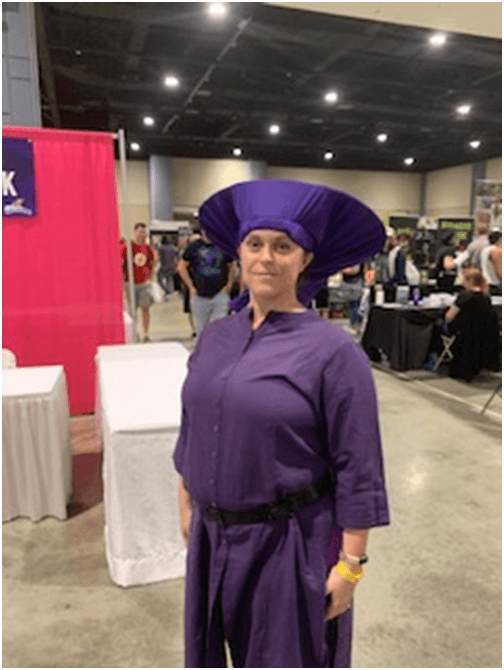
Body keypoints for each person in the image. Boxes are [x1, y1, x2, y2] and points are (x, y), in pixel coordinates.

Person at [174, 179, 389, 668]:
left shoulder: (334, 353)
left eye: (282, 246)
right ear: (238, 253)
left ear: (305, 259)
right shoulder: (216, 337)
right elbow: (193, 422)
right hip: (211, 537)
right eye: (254, 244)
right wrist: (186, 500)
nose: (266, 258)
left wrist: (350, 566)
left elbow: (358, 465)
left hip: (289, 545)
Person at [177, 228, 235, 341]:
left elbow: (231, 267)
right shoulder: (194, 246)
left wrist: (229, 285)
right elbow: (181, 266)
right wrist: (190, 287)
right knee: (201, 332)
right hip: (199, 294)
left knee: (220, 329)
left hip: (220, 294)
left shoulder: (222, 245)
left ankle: (217, 351)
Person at [443, 267, 500, 382]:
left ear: (468, 280)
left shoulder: (463, 297)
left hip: (462, 333)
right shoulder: (486, 298)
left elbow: (449, 317)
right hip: (480, 335)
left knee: (436, 326)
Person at [122, 222, 155, 342]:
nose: (142, 234)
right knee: (132, 311)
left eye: (144, 232)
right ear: (135, 232)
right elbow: (121, 264)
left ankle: (146, 333)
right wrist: (123, 282)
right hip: (130, 284)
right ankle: (134, 333)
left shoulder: (147, 248)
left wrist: (150, 278)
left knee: (145, 308)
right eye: (140, 231)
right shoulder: (127, 247)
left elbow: (151, 263)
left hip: (144, 284)